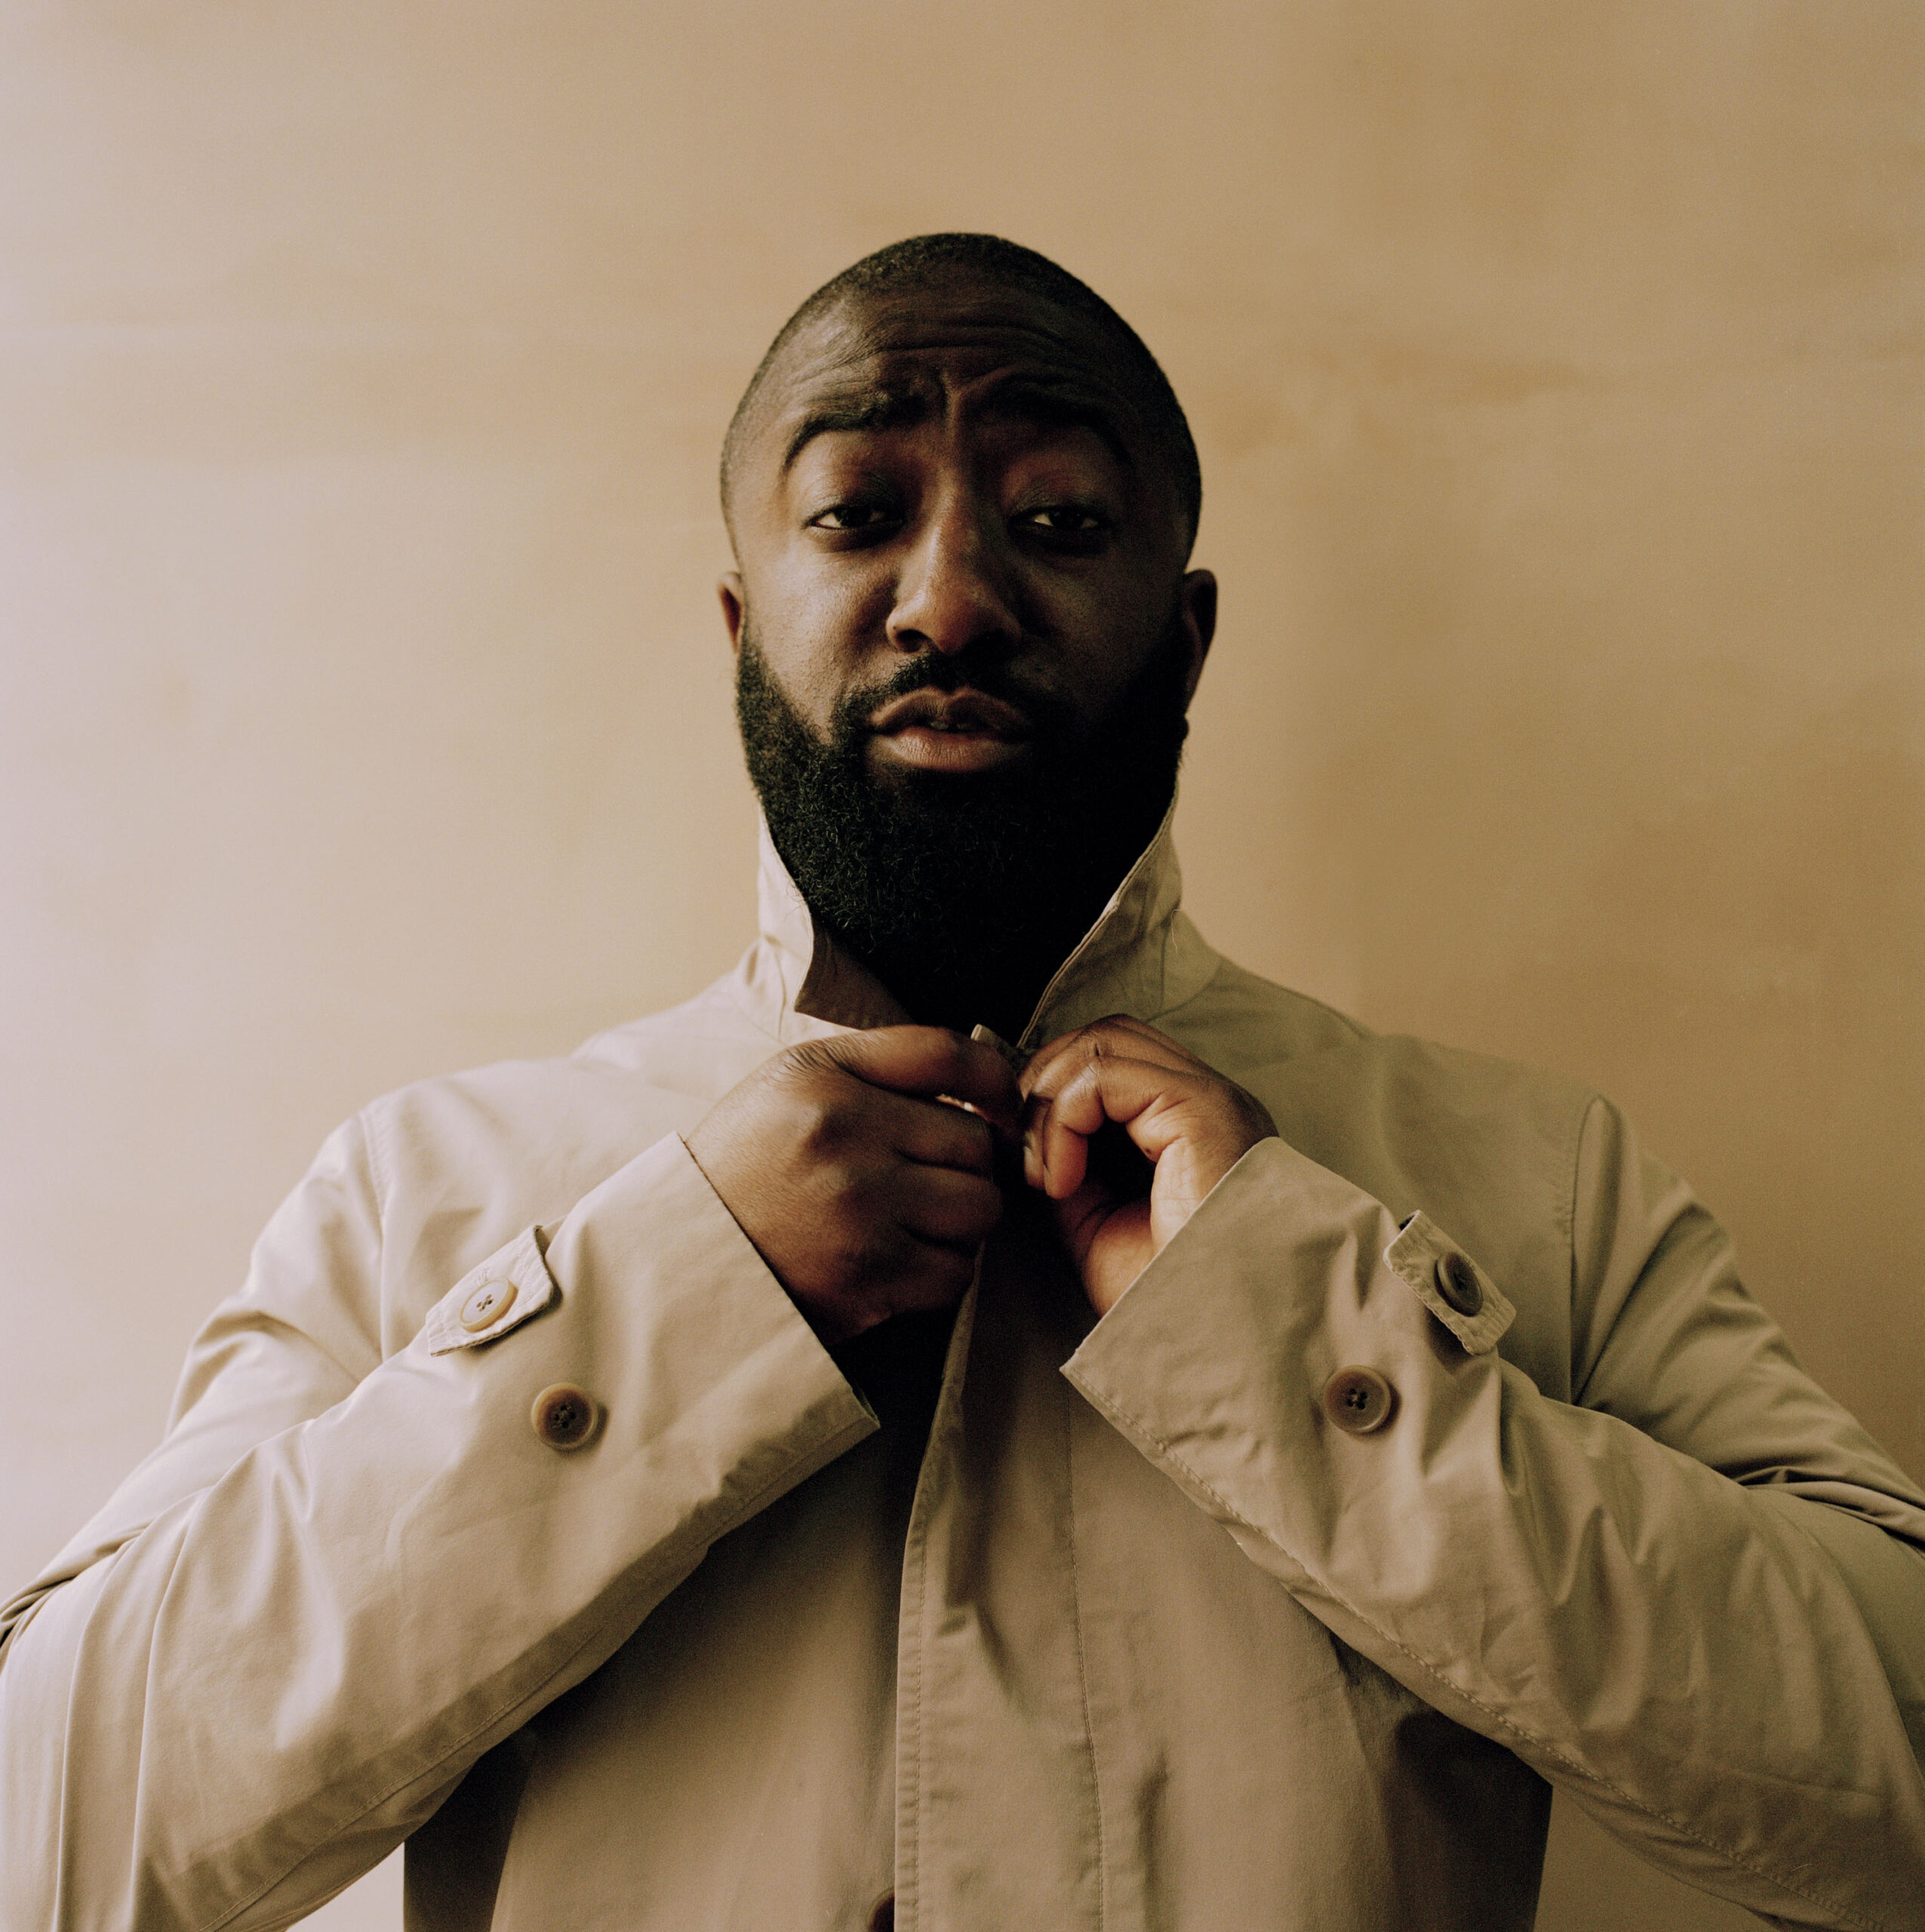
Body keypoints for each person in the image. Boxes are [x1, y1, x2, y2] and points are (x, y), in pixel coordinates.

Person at [2, 233, 1920, 1932]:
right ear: (742, 629)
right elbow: (42, 1845)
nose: (951, 599)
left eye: (1061, 519)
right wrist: (673, 1300)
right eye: (854, 512)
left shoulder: (1532, 1177)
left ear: (1185, 638)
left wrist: (1292, 1337)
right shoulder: (429, 1185)